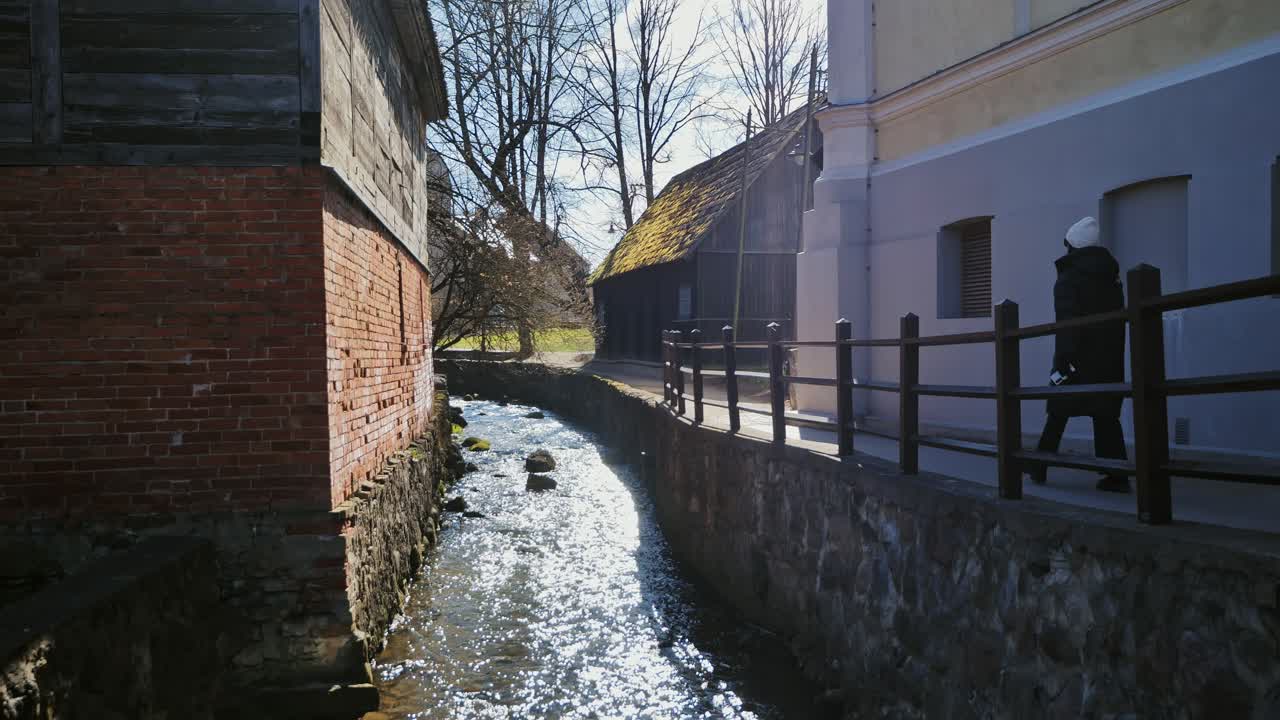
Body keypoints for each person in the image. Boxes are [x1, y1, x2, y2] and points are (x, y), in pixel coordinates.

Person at [1027, 216, 1130, 493]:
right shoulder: (1112, 278)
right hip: (1108, 358)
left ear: (1072, 245)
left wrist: (1061, 362)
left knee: (1058, 408)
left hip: (1077, 358)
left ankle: (1039, 464)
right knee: (1106, 414)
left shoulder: (1069, 279)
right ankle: (1117, 475)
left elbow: (1067, 326)